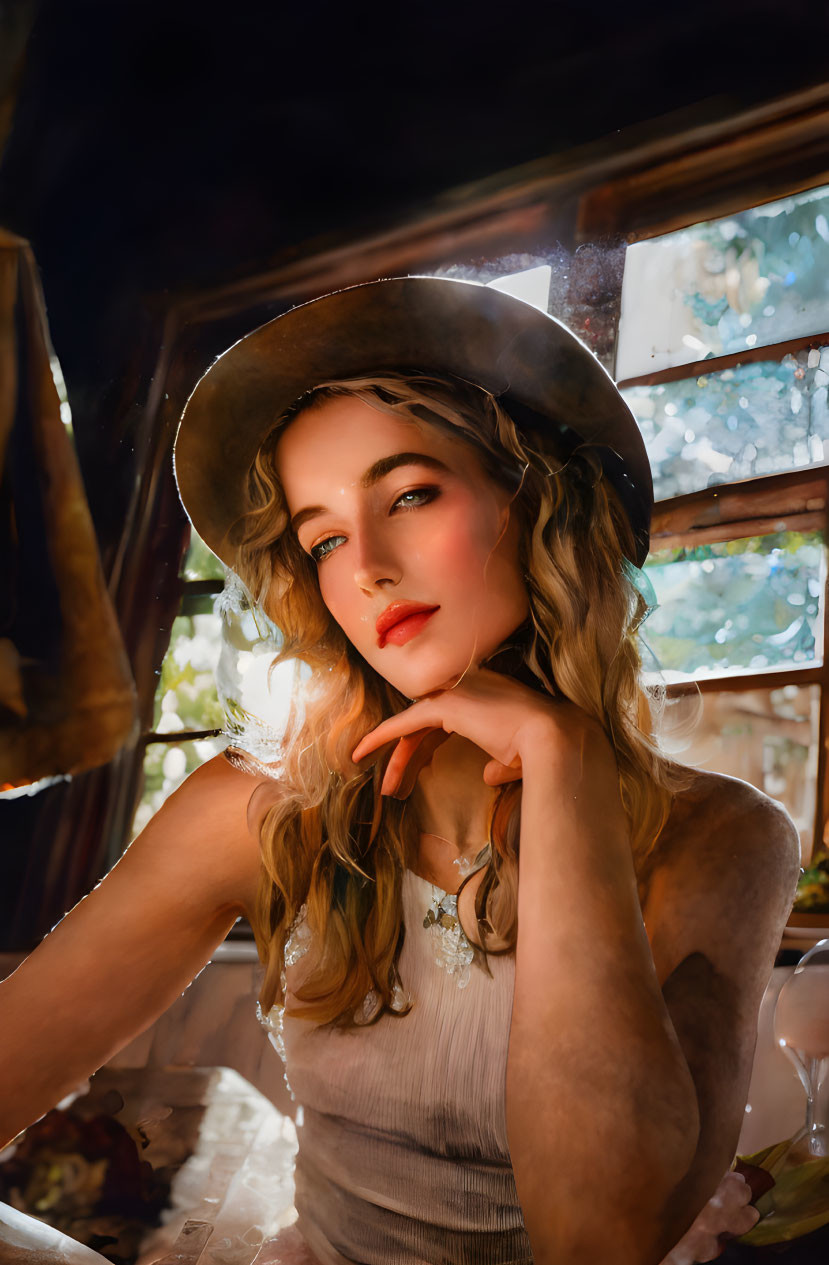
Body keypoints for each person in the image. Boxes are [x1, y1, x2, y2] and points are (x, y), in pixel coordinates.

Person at [0, 278, 800, 1265]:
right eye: (324, 537)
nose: (367, 564)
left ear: (536, 498)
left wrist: (562, 764)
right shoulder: (256, 805)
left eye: (411, 492)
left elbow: (598, 1235)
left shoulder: (726, 837)